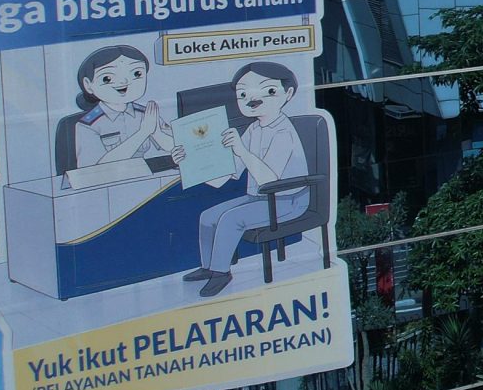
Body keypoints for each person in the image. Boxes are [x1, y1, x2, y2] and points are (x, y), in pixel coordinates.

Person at [186, 61, 313, 298]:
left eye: (268, 90)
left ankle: (221, 273)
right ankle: (209, 266)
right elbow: (229, 174)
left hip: (288, 199)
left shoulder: (283, 132)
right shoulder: (253, 129)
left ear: (288, 94)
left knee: (230, 219)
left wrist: (241, 150)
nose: (252, 99)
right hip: (259, 198)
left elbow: (270, 179)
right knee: (208, 216)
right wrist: (190, 165)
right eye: (243, 94)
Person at [66, 44, 180, 176]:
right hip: (109, 184)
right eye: (107, 78)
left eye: (137, 74)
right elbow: (92, 172)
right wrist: (143, 132)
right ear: (88, 85)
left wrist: (158, 134)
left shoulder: (145, 113)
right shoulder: (88, 125)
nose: (124, 81)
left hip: (145, 178)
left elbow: (173, 145)